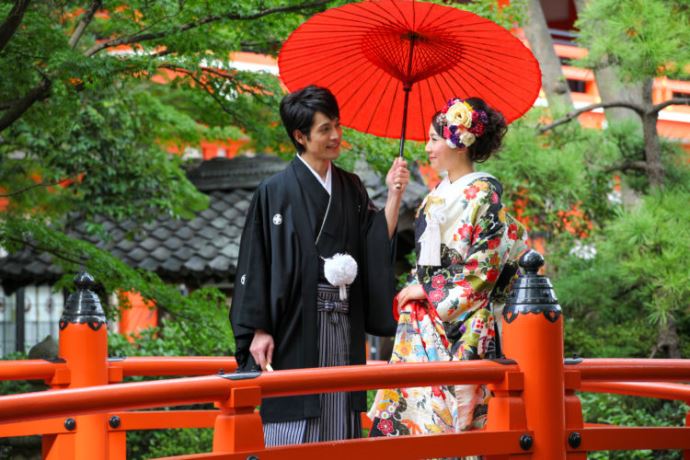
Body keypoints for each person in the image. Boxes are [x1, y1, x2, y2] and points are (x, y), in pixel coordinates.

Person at [230, 85, 410, 446]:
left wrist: (394, 194)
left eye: (337, 125)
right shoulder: (274, 191)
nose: (336, 136)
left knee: (339, 416)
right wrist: (259, 329)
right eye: (325, 129)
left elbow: (374, 243)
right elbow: (256, 260)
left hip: (343, 320)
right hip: (294, 323)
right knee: (293, 417)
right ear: (301, 136)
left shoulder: (351, 186)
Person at [368, 97, 528, 439]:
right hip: (422, 324)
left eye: (434, 139)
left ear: (459, 142)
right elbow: (424, 264)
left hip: (463, 326)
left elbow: (483, 270)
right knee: (413, 423)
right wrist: (394, 194)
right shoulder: (434, 196)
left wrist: (426, 290)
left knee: (452, 427)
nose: (427, 148)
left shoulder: (484, 195)